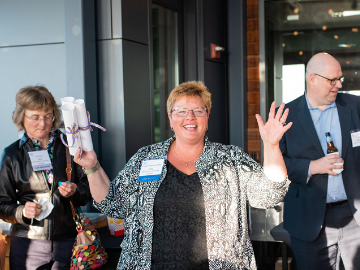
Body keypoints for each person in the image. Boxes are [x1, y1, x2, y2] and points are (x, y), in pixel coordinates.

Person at [74, 81, 291, 270]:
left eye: (198, 110)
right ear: (170, 118)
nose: (190, 117)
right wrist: (92, 167)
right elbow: (113, 204)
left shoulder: (230, 158)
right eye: (181, 111)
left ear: (207, 118)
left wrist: (271, 146)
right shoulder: (146, 158)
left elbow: (269, 195)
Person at [280, 53, 360, 269]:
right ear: (312, 79)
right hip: (309, 219)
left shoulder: (355, 106)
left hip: (355, 217)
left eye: (340, 79)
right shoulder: (287, 115)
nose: (339, 84)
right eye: (332, 80)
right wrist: (311, 167)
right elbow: (276, 167)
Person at [0, 86, 91, 270]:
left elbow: (88, 192)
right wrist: (22, 212)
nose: (42, 124)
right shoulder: (12, 154)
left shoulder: (70, 146)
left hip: (68, 240)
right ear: (21, 117)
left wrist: (75, 190)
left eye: (47, 116)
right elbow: (2, 204)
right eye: (35, 117)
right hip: (28, 242)